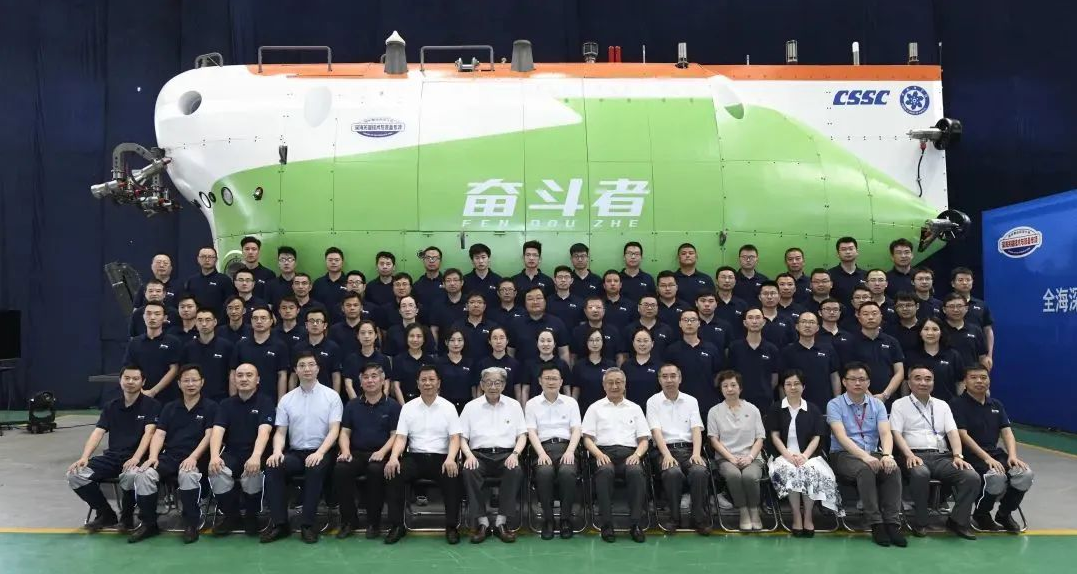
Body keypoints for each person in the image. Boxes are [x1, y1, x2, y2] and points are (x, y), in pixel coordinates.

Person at [127, 365, 217, 543]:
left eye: (194, 380)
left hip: (196, 458)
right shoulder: (170, 407)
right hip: (170, 457)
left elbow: (209, 436)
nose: (190, 384)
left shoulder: (211, 407)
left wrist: (193, 457)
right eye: (186, 380)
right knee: (144, 474)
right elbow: (159, 434)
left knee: (187, 474)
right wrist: (153, 457)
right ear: (179, 384)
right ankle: (149, 524)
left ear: (202, 382)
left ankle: (191, 524)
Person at [261, 351, 343, 544]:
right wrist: (277, 452)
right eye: (302, 365)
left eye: (311, 365)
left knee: (314, 467)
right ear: (296, 370)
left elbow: (334, 430)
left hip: (323, 451)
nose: (307, 369)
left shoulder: (331, 396)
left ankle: (308, 525)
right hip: (296, 453)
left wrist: (320, 452)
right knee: (273, 466)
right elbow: (280, 432)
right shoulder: (287, 399)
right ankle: (280, 524)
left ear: (318, 368)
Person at [67, 365, 160, 532]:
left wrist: (136, 458)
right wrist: (84, 457)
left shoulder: (151, 405)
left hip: (138, 458)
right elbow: (98, 432)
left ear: (143, 382)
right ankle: (105, 513)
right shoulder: (111, 406)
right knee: (75, 475)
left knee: (130, 475)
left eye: (135, 379)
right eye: (127, 378)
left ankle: (127, 518)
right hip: (113, 457)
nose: (130, 382)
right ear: (120, 380)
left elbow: (150, 433)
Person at [890, 366, 979, 539]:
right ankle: (921, 521)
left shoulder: (942, 405)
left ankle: (957, 520)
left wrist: (958, 456)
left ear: (933, 382)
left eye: (928, 379)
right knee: (920, 474)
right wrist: (909, 455)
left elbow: (953, 432)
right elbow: (896, 433)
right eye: (918, 378)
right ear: (909, 383)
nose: (923, 382)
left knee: (971, 476)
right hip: (913, 455)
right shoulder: (899, 405)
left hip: (942, 457)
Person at [826, 362, 906, 547]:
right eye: (852, 379)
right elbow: (841, 436)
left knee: (893, 469)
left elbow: (885, 433)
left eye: (862, 379)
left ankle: (892, 523)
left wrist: (887, 455)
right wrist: (865, 457)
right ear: (844, 382)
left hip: (873, 452)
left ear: (868, 382)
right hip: (843, 454)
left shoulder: (877, 404)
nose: (857, 383)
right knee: (866, 469)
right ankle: (876, 523)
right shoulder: (834, 404)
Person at [383, 365, 464, 545]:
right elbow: (401, 437)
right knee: (393, 473)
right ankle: (397, 525)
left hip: (441, 458)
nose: (428, 383)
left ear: (439, 383)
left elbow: (454, 438)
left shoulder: (448, 407)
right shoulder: (408, 408)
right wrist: (394, 457)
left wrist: (451, 458)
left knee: (453, 475)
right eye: (423, 380)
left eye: (431, 379)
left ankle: (451, 526)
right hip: (415, 457)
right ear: (418, 384)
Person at [951, 366, 1034, 533]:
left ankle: (1004, 514)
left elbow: (1007, 432)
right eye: (974, 377)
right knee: (996, 477)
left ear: (989, 380)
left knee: (1025, 474)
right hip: (970, 456)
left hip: (995, 453)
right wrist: (987, 459)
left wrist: (1012, 456)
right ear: (965, 381)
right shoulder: (957, 404)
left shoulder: (996, 404)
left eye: (983, 377)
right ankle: (981, 514)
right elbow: (962, 435)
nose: (979, 381)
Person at [766, 370, 840, 537]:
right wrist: (788, 456)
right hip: (782, 455)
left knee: (810, 471)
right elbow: (774, 436)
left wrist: (804, 456)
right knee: (791, 471)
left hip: (808, 455)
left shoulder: (813, 409)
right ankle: (796, 516)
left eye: (796, 384)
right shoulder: (776, 408)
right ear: (783, 387)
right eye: (788, 384)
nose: (792, 387)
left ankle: (808, 515)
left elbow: (817, 437)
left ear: (803, 386)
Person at [459, 367, 527, 543]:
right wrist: (469, 455)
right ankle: (482, 522)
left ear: (503, 385)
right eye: (488, 382)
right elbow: (462, 437)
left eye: (497, 383)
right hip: (478, 455)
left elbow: (522, 435)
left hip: (506, 454)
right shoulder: (471, 407)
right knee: (469, 471)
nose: (493, 387)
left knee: (515, 470)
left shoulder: (514, 405)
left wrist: (515, 454)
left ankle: (500, 522)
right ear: (482, 385)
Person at [333, 363, 401, 540]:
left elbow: (395, 435)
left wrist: (382, 451)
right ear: (360, 382)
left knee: (375, 470)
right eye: (366, 377)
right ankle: (349, 521)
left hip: (381, 454)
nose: (370, 380)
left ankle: (374, 522)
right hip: (356, 453)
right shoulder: (352, 405)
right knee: (341, 469)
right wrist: (345, 451)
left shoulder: (393, 406)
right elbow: (344, 432)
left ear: (383, 380)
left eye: (374, 376)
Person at [582, 368, 650, 543]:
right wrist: (598, 454)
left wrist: (637, 454)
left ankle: (635, 524)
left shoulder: (635, 408)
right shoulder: (594, 408)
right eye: (610, 382)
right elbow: (587, 439)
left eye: (618, 382)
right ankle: (607, 524)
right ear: (604, 385)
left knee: (636, 472)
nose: (614, 386)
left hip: (630, 453)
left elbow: (644, 440)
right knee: (605, 471)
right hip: (603, 452)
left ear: (625, 384)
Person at [208, 363, 275, 537]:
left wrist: (256, 456)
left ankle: (251, 516)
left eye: (249, 375)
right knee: (216, 470)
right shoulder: (226, 404)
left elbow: (264, 431)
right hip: (232, 453)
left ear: (257, 379)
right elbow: (217, 431)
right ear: (234, 379)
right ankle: (232, 516)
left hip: (257, 453)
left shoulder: (266, 402)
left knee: (252, 471)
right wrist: (214, 456)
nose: (244, 379)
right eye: (239, 375)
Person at [646, 364, 710, 534]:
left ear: (680, 379)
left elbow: (696, 429)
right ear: (659, 380)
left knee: (699, 471)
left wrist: (696, 453)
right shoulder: (653, 402)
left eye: (673, 376)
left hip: (689, 450)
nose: (669, 380)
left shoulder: (691, 401)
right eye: (665, 376)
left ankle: (699, 518)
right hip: (664, 450)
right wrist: (667, 455)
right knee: (672, 472)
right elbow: (655, 432)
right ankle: (674, 517)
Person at [526, 364, 583, 540]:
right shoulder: (532, 404)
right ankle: (548, 519)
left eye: (555, 378)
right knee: (544, 472)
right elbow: (531, 432)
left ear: (561, 382)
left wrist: (570, 451)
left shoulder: (571, 403)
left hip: (567, 448)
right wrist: (541, 453)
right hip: (542, 448)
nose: (551, 382)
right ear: (540, 381)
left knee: (568, 472)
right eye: (547, 378)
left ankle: (565, 519)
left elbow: (576, 430)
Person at [707, 370, 766, 531]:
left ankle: (754, 511)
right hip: (726, 458)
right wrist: (731, 458)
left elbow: (760, 438)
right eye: (725, 386)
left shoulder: (752, 409)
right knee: (733, 475)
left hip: (751, 457)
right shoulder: (714, 411)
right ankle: (743, 511)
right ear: (721, 389)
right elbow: (714, 440)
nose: (729, 389)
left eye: (733, 385)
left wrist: (750, 457)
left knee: (749, 476)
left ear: (740, 388)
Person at [834, 301, 905, 403]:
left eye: (874, 313)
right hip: (858, 398)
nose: (871, 317)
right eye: (866, 314)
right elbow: (848, 372)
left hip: (889, 397)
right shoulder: (849, 343)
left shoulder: (892, 341)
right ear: (859, 318)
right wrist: (870, 397)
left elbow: (899, 372)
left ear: (881, 316)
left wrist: (885, 395)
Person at [664, 308, 724, 417]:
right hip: (680, 404)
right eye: (685, 320)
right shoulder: (672, 350)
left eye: (693, 320)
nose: (689, 323)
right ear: (680, 324)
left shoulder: (711, 348)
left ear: (699, 323)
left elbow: (718, 375)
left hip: (707, 404)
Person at [779, 312, 840, 411]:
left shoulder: (827, 349)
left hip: (824, 404)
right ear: (797, 327)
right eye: (803, 322)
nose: (807, 325)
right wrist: (785, 407)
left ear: (817, 328)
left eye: (811, 322)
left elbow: (834, 376)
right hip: (796, 406)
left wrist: (837, 401)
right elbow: (782, 382)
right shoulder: (787, 352)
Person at [123, 302, 182, 402]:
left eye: (157, 314)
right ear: (143, 317)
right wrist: (140, 390)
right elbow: (128, 368)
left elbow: (174, 369)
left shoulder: (173, 342)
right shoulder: (134, 342)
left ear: (164, 318)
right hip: (139, 396)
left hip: (167, 396)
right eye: (148, 313)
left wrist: (153, 391)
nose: (152, 317)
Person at [231, 306, 290, 401]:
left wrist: (281, 402)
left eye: (263, 318)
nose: (259, 321)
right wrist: (233, 399)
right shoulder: (241, 345)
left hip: (270, 398)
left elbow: (282, 375)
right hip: (244, 399)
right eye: (255, 318)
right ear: (251, 321)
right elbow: (233, 372)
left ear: (271, 321)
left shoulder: (280, 346)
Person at [727, 308, 780, 411]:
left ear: (764, 322)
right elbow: (730, 375)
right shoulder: (735, 347)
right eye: (750, 318)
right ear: (745, 323)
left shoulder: (772, 349)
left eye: (758, 318)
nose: (754, 321)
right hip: (739, 401)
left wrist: (765, 391)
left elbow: (774, 379)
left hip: (765, 402)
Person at [181, 307, 235, 401]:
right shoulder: (188, 347)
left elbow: (232, 373)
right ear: (195, 323)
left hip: (220, 397)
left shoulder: (226, 346)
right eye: (200, 320)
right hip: (195, 398)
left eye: (208, 320)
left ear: (215, 322)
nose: (204, 324)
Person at [904, 317, 965, 401]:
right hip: (917, 405)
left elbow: (960, 382)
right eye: (926, 329)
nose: (930, 333)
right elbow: (906, 382)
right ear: (920, 333)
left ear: (941, 332)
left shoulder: (953, 355)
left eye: (935, 329)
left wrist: (958, 402)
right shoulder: (911, 356)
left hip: (948, 405)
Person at [509, 287, 571, 364]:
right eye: (530, 299)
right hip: (523, 370)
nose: (535, 302)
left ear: (545, 301)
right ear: (524, 303)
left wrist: (565, 370)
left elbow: (563, 352)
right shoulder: (516, 324)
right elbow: (510, 352)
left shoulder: (557, 323)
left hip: (551, 369)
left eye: (538, 298)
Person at [948, 267, 995, 363]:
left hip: (975, 355)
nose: (965, 283)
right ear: (953, 283)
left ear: (972, 282)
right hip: (950, 355)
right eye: (960, 280)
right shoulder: (945, 304)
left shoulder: (981, 305)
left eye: (968, 280)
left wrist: (989, 355)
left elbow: (988, 330)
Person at [291, 308, 343, 394]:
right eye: (311, 321)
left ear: (325, 325)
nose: (315, 324)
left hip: (326, 395)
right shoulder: (298, 348)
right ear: (306, 325)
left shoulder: (333, 347)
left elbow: (336, 376)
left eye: (318, 321)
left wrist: (335, 396)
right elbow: (294, 375)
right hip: (302, 394)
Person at [341, 320, 392, 400]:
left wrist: (381, 402)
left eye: (370, 332)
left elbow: (386, 385)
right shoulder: (350, 359)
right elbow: (348, 386)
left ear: (376, 335)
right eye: (363, 333)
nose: (366, 336)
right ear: (358, 336)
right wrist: (357, 404)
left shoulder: (384, 359)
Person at [940, 293, 991, 370]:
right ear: (944, 310)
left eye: (959, 306)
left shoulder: (975, 330)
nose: (956, 310)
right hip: (945, 374)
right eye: (951, 306)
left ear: (966, 308)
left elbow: (982, 356)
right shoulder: (938, 330)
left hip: (970, 375)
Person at [390, 323, 437, 404]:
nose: (415, 340)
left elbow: (434, 385)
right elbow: (396, 386)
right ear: (406, 338)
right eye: (411, 336)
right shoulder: (398, 359)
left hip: (425, 401)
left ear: (424, 339)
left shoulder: (430, 360)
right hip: (404, 401)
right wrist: (404, 407)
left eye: (419, 336)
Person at [571, 327, 616, 413]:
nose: (594, 343)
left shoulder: (611, 365)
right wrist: (573, 410)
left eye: (598, 340)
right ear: (586, 342)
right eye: (591, 340)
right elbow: (576, 391)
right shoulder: (579, 366)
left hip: (606, 410)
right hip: (584, 410)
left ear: (603, 342)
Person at [523, 330, 572, 405]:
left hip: (558, 406)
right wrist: (524, 408)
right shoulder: (529, 364)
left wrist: (568, 406)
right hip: (534, 406)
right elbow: (525, 390)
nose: (545, 344)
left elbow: (566, 389)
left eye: (549, 341)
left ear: (554, 344)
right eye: (542, 341)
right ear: (537, 344)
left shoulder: (562, 364)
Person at [623, 294, 675, 361]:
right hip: (635, 366)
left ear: (657, 308)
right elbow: (625, 354)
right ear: (638, 308)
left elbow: (671, 354)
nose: (649, 308)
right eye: (646, 305)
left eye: (653, 305)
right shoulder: (629, 329)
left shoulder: (666, 330)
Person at [184, 246, 236, 314]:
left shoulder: (225, 280)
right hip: (197, 319)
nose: (207, 260)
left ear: (216, 259)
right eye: (203, 257)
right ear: (198, 259)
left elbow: (230, 304)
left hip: (218, 319)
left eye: (210, 257)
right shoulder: (192, 280)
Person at [435, 328, 477, 412]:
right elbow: (436, 387)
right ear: (446, 342)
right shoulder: (439, 363)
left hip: (466, 406)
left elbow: (473, 387)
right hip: (444, 406)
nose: (456, 343)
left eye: (460, 340)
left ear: (464, 342)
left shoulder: (470, 362)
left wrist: (474, 404)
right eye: (452, 340)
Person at [571, 296, 622, 364]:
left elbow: (619, 356)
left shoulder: (613, 331)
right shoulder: (577, 332)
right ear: (585, 311)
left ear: (604, 311)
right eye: (591, 307)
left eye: (598, 307)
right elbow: (573, 356)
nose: (595, 310)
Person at [451, 292, 499, 360]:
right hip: (463, 364)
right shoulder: (457, 326)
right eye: (472, 302)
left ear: (484, 306)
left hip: (487, 365)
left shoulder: (493, 327)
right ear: (466, 306)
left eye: (479, 302)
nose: (476, 305)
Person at [622, 328, 660, 406]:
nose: (642, 344)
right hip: (631, 409)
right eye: (638, 341)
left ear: (652, 343)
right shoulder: (626, 366)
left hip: (654, 409)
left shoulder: (659, 366)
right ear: (633, 343)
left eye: (646, 341)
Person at [429, 268, 466, 347]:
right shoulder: (437, 304)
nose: (452, 283)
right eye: (448, 280)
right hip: (444, 350)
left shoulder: (469, 302)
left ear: (462, 282)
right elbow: (434, 329)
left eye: (455, 280)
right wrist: (435, 349)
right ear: (444, 284)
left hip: (467, 349)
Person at [328, 291, 371, 357]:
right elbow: (330, 352)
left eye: (355, 305)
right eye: (348, 305)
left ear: (361, 308)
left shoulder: (368, 329)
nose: (352, 308)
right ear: (342, 308)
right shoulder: (334, 330)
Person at [828, 237, 866, 306]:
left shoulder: (866, 275)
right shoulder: (829, 275)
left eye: (851, 249)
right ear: (837, 253)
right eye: (843, 249)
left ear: (857, 252)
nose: (848, 252)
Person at [715, 266, 749, 339]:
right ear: (716, 281)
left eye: (730, 277)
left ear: (735, 281)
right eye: (723, 277)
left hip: (737, 344)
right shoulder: (710, 303)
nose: (727, 280)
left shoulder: (742, 305)